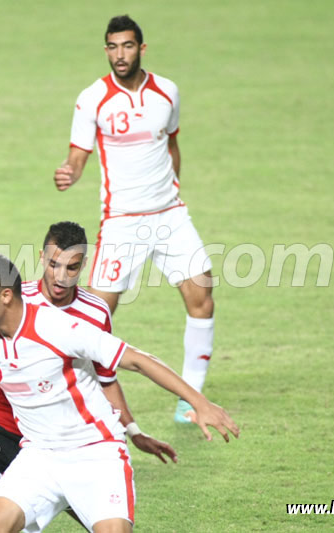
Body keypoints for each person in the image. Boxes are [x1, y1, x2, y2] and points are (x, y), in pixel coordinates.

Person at [0, 254, 238, 533]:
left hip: (95, 453)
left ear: (4, 296)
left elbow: (137, 359)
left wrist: (199, 402)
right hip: (40, 455)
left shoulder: (58, 328)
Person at [53, 15, 215, 424]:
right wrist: (70, 172)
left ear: (141, 49)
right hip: (122, 221)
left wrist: (171, 189)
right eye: (112, 47)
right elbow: (78, 154)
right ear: (106, 50)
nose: (119, 55)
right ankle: (73, 393)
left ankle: (191, 398)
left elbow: (172, 144)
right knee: (95, 315)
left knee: (202, 296)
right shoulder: (92, 98)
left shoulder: (167, 92)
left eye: (127, 46)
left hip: (170, 215)